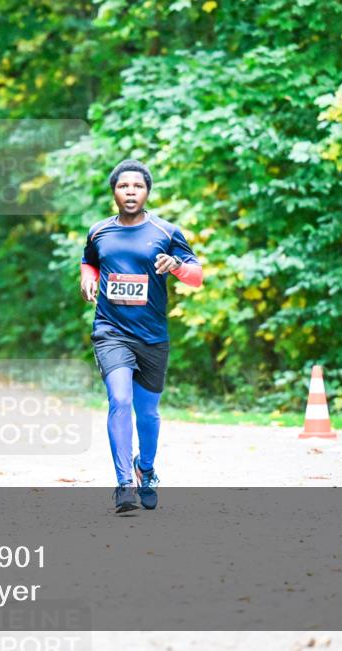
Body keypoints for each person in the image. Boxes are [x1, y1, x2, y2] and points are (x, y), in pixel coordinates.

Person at [80, 159, 203, 513]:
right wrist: (87, 278)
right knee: (119, 400)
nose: (130, 191)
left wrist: (176, 266)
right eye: (123, 186)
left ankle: (144, 468)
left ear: (147, 191)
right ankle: (123, 484)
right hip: (111, 331)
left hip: (151, 336)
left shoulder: (166, 232)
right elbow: (90, 261)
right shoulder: (99, 232)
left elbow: (196, 276)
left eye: (137, 186)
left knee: (147, 413)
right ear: (114, 192)